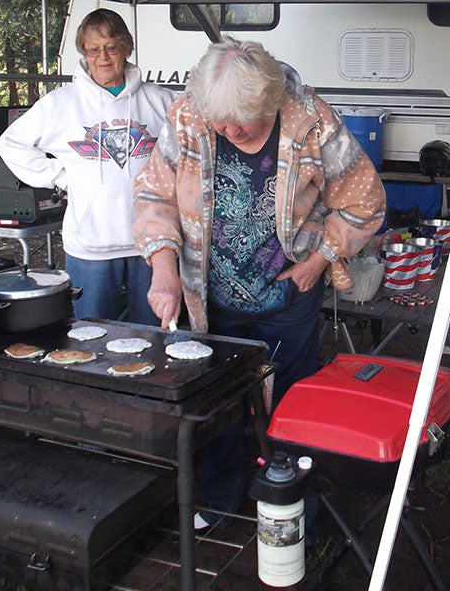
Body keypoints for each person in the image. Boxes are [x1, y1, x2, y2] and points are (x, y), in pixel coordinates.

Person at [133, 36, 386, 526]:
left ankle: (295, 513)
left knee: (293, 408)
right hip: (210, 298)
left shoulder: (311, 119)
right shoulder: (188, 115)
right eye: (219, 124)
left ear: (271, 102)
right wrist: (163, 269)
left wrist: (319, 261)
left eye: (241, 123)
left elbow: (365, 201)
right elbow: (153, 196)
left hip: (290, 296)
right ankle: (220, 502)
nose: (229, 131)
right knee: (220, 400)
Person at [0, 8, 176, 324]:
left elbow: (190, 149)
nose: (103, 57)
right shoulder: (61, 103)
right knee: (89, 338)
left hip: (151, 247)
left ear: (126, 49)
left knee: (154, 338)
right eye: (93, 49)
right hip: (90, 246)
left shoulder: (160, 101)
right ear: (83, 53)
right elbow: (9, 144)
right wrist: (61, 177)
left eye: (111, 47)